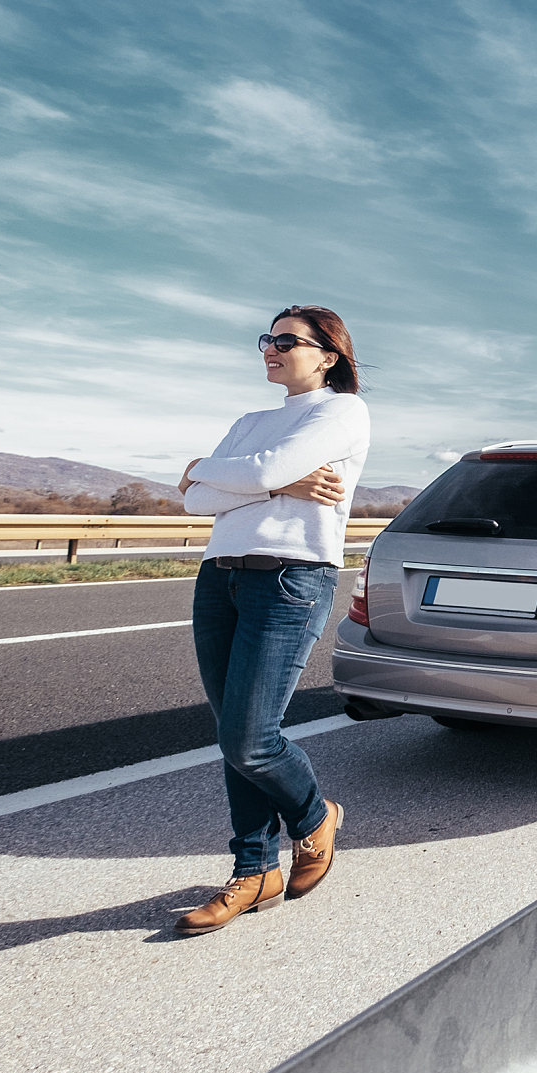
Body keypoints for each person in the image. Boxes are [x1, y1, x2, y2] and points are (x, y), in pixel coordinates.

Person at [173, 305, 371, 936]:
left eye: (287, 340)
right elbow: (197, 502)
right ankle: (253, 871)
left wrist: (207, 469)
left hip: (290, 577)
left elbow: (243, 474)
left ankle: (315, 818)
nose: (271, 348)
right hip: (219, 577)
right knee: (233, 732)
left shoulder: (342, 412)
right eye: (268, 339)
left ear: (328, 355)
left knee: (250, 738)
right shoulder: (250, 420)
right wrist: (277, 485)